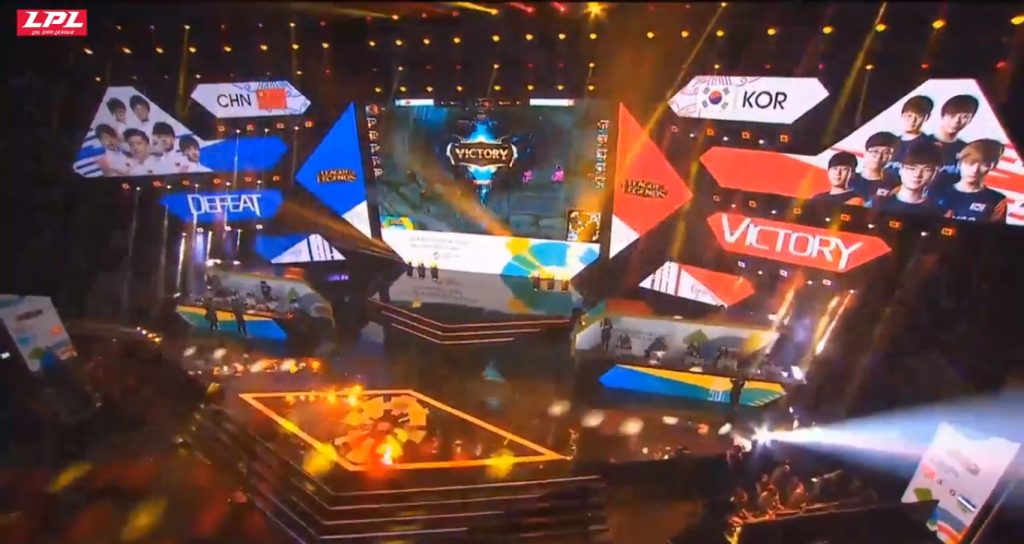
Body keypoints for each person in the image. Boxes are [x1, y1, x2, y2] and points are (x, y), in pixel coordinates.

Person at [931, 139, 1008, 223]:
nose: (975, 170)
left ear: (992, 166)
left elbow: (997, 230)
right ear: (959, 163)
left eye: (984, 165)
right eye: (970, 163)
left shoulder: (996, 200)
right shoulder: (937, 192)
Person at [872, 141, 944, 216]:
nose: (917, 175)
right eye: (912, 169)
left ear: (934, 173)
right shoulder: (879, 203)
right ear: (900, 169)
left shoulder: (935, 211)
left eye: (927, 170)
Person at [932, 94, 979, 187]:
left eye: (965, 117)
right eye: (952, 115)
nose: (957, 121)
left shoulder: (969, 150)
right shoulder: (921, 142)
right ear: (943, 115)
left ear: (970, 120)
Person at [851, 131, 901, 200]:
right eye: (875, 151)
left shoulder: (894, 186)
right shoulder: (849, 179)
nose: (879, 156)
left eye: (886, 152)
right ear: (865, 152)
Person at [890, 95, 935, 169]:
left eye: (918, 116)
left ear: (926, 118)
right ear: (902, 116)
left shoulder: (929, 145)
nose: (912, 121)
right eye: (909, 116)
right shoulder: (891, 143)